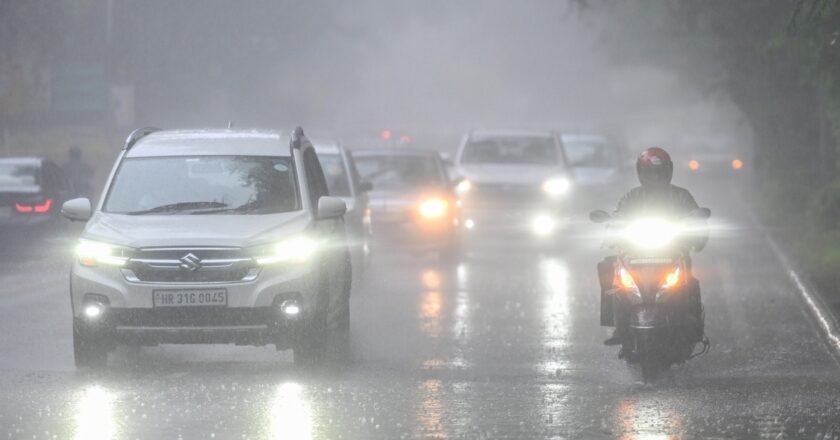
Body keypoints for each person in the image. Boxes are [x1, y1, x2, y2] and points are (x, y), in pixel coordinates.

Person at [600, 147, 707, 347]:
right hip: (635, 253)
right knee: (609, 268)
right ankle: (619, 326)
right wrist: (611, 230)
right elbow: (617, 217)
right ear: (640, 173)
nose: (655, 177)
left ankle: (692, 327)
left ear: (669, 171)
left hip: (673, 253)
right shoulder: (631, 196)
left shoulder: (681, 196)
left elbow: (696, 218)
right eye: (650, 172)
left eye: (660, 172)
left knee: (690, 282)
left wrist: (697, 229)